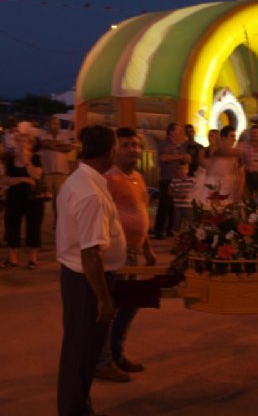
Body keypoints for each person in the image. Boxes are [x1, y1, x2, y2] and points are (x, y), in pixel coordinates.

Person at [56, 125, 126, 416]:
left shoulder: (81, 180)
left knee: (81, 347)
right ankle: (74, 407)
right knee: (82, 349)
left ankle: (77, 403)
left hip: (79, 276)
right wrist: (104, 298)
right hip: (87, 281)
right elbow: (90, 254)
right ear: (110, 151)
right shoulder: (90, 193)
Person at [95, 127, 157, 382]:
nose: (133, 149)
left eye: (136, 145)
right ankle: (103, 362)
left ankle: (116, 354)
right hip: (117, 254)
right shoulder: (110, 179)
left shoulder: (137, 177)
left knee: (130, 305)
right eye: (126, 145)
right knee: (112, 307)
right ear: (115, 150)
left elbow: (141, 211)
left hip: (134, 252)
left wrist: (147, 249)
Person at [0, 134, 44, 269]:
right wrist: (22, 179)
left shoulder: (35, 158)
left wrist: (26, 161)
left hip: (33, 199)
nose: (19, 145)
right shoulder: (11, 160)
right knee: (12, 226)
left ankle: (33, 259)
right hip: (14, 197)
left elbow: (36, 175)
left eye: (23, 142)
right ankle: (13, 258)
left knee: (33, 227)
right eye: (18, 142)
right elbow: (4, 179)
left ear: (30, 145)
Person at [153, 123, 190, 239]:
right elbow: (163, 158)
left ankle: (170, 230)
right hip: (167, 178)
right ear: (171, 132)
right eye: (178, 131)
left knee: (174, 206)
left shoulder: (180, 145)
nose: (180, 133)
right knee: (164, 205)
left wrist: (186, 159)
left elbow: (184, 159)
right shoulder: (164, 144)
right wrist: (180, 157)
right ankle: (159, 231)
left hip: (178, 178)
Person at [39, 115, 74, 225]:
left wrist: (52, 146)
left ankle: (59, 224)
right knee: (42, 199)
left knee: (60, 200)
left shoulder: (64, 135)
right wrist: (61, 146)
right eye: (54, 123)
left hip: (61, 173)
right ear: (48, 124)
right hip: (47, 172)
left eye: (58, 124)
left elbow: (68, 148)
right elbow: (44, 144)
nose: (57, 126)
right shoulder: (42, 135)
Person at [202, 125, 244, 203]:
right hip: (215, 189)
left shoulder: (237, 155)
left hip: (230, 189)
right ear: (224, 138)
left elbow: (241, 174)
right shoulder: (216, 152)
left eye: (235, 137)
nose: (234, 139)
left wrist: (239, 191)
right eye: (232, 136)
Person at [169, 162, 197, 234]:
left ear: (187, 170)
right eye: (180, 169)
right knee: (176, 223)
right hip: (178, 206)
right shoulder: (174, 181)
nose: (182, 171)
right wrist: (177, 195)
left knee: (191, 222)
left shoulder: (192, 180)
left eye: (184, 169)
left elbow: (196, 191)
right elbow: (170, 192)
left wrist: (189, 195)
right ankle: (177, 237)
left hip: (188, 206)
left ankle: (190, 236)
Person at [239, 125, 258, 199]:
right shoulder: (245, 145)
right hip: (249, 174)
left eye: (256, 133)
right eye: (253, 133)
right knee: (248, 195)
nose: (255, 135)